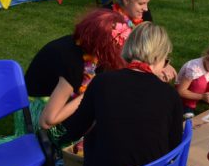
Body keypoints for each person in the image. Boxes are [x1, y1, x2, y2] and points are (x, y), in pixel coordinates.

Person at [56, 22, 183, 166]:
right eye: (166, 61)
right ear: (158, 58)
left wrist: (52, 139)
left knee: (94, 137)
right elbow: (175, 147)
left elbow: (76, 127)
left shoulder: (102, 82)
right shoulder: (170, 95)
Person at [7, 9, 129, 146]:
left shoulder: (84, 46)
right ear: (103, 46)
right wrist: (90, 94)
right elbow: (47, 120)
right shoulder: (73, 64)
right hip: (39, 111)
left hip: (58, 99)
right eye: (117, 47)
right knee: (98, 109)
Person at [106, 0, 176, 81]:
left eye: (147, 3)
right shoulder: (107, 20)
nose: (146, 8)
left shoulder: (144, 15)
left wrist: (163, 64)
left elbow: (152, 42)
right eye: (141, 3)